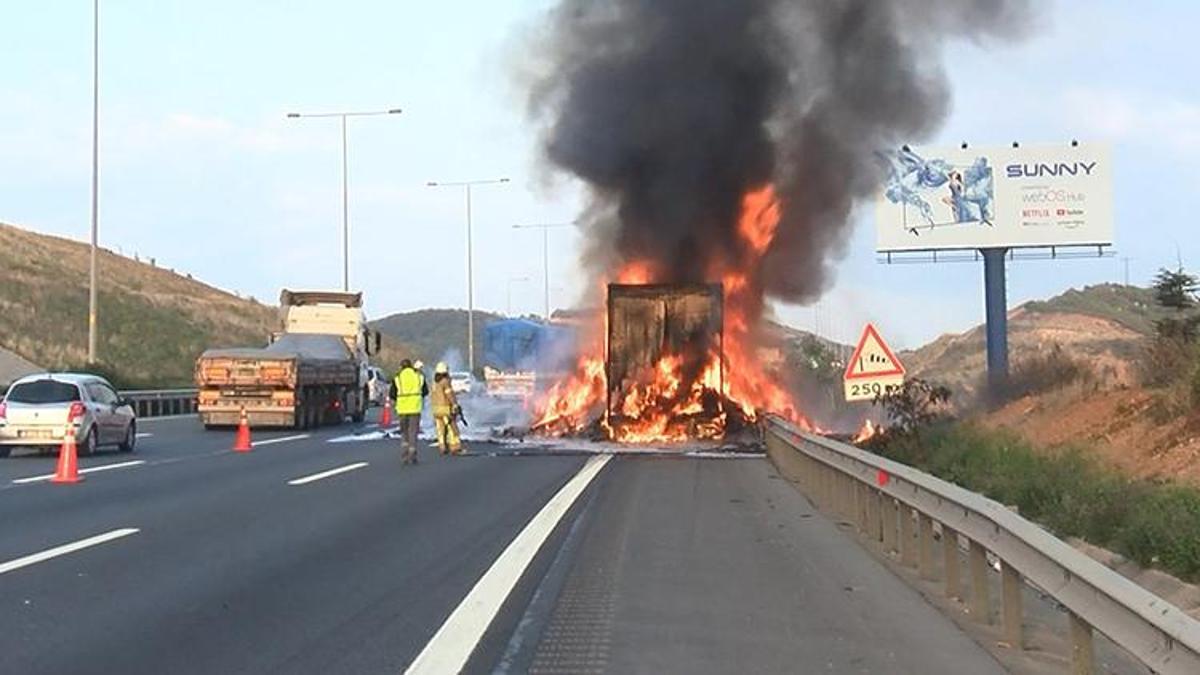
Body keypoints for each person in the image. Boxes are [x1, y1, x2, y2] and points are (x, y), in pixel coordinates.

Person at [391, 359, 427, 465]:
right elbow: (425, 391)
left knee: (404, 432)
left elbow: (392, 394)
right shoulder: (419, 377)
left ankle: (404, 454)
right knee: (413, 432)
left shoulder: (397, 378)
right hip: (415, 408)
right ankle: (412, 454)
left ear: (401, 367)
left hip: (402, 409)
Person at [429, 361, 462, 455]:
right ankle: (455, 447)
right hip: (445, 408)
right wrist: (455, 404)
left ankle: (442, 447)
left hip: (435, 409)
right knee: (451, 428)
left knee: (440, 429)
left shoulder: (434, 383)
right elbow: (449, 394)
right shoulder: (445, 382)